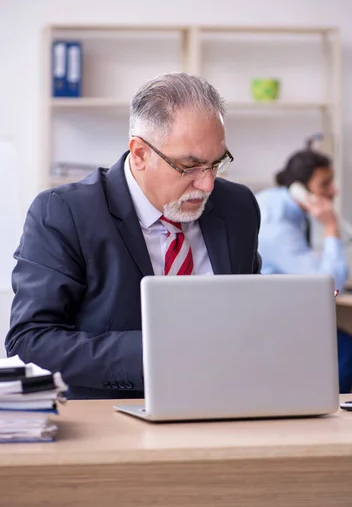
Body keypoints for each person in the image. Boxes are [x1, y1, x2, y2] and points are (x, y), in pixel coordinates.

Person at [6, 73, 261, 399]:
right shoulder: (64, 213)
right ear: (139, 153)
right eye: (189, 166)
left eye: (216, 163)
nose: (207, 184)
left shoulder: (237, 207)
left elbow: (246, 309)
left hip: (229, 406)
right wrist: (164, 354)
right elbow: (30, 341)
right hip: (113, 422)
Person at [256, 146, 352, 393]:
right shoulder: (277, 221)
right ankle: (324, 409)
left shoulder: (279, 205)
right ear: (300, 188)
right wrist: (330, 226)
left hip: (282, 310)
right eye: (325, 184)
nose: (333, 191)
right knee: (350, 351)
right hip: (272, 321)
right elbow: (330, 287)